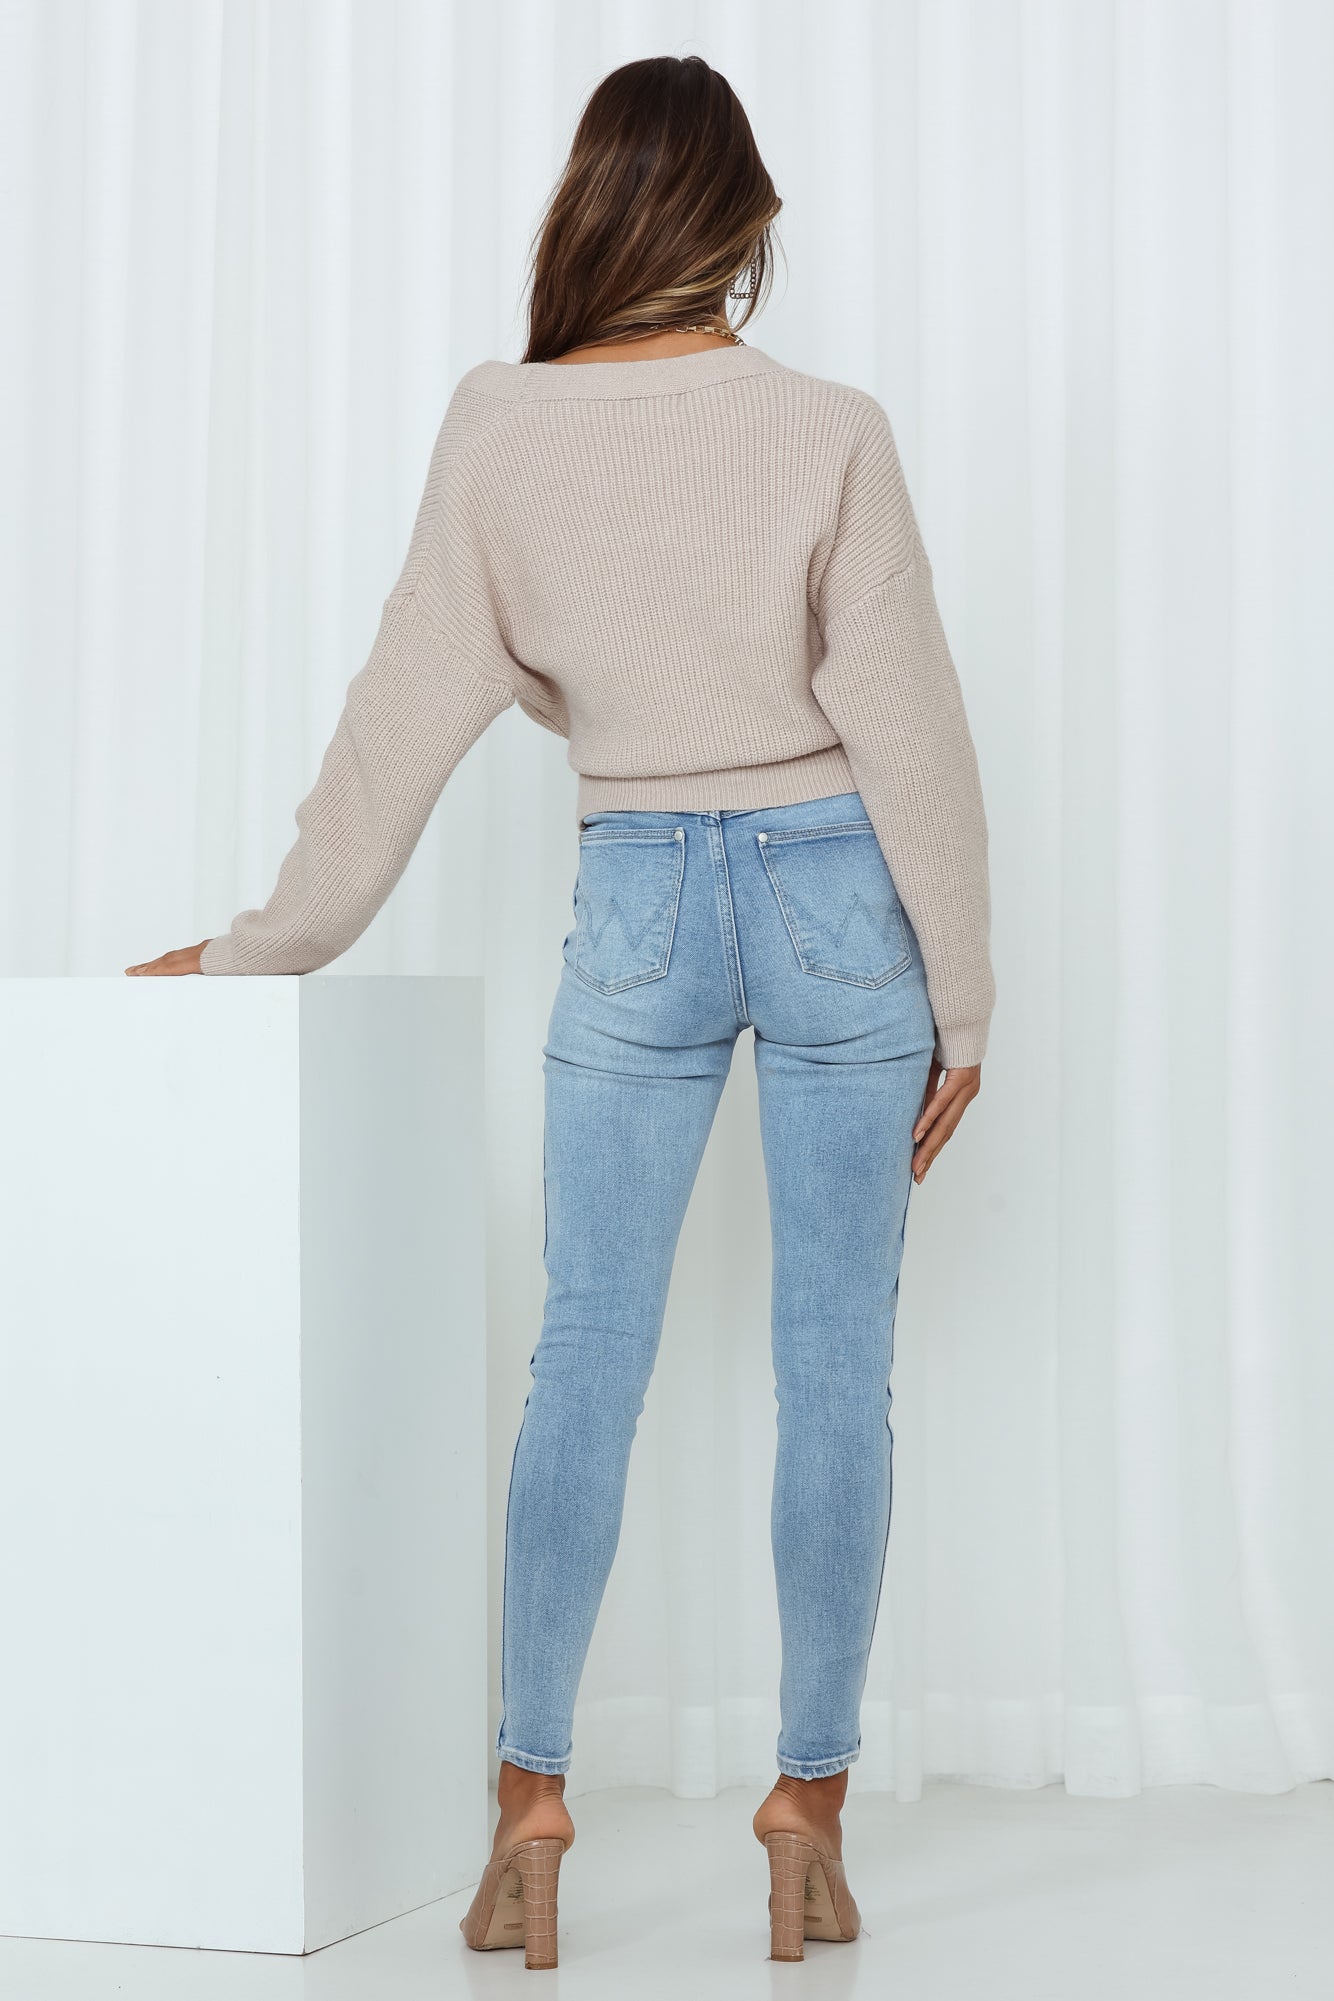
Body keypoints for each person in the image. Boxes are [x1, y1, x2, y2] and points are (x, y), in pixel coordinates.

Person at [127, 52, 994, 1970]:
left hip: (635, 895)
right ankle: (806, 1809)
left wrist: (265, 946)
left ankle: (529, 1799)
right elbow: (911, 728)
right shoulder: (828, 428)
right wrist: (964, 997)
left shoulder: (498, 427)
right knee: (833, 1365)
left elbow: (401, 715)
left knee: (582, 1353)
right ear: (744, 223)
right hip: (841, 894)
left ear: (587, 208)